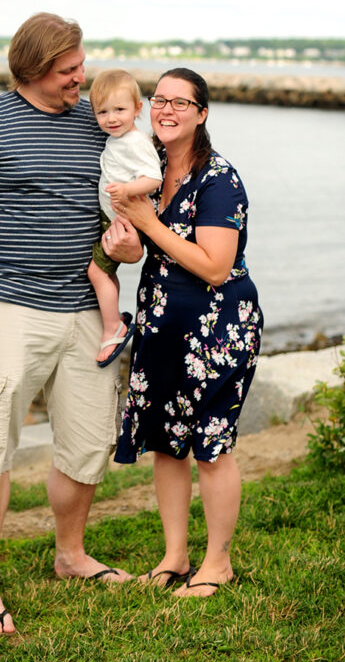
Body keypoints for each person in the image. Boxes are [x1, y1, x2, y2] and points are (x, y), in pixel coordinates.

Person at [0, 12, 143, 634]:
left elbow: (129, 206)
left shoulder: (98, 122)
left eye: (81, 65)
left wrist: (129, 248)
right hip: (6, 312)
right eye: (68, 71)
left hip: (88, 313)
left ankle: (71, 554)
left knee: (86, 444)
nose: (81, 80)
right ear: (31, 71)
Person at [111, 67, 263, 597]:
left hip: (219, 329)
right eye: (159, 99)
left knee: (210, 445)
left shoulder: (220, 179)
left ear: (201, 113)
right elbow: (139, 250)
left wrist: (150, 226)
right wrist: (124, 244)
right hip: (161, 322)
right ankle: (175, 556)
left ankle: (216, 562)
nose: (166, 109)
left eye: (180, 102)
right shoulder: (144, 167)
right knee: (166, 442)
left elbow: (216, 266)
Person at [88, 70, 162, 367]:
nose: (111, 118)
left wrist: (128, 189)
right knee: (106, 273)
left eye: (119, 110)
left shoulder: (134, 141)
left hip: (124, 221)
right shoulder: (119, 139)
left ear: (137, 109)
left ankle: (113, 327)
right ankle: (113, 317)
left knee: (96, 272)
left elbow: (153, 178)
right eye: (102, 112)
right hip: (116, 218)